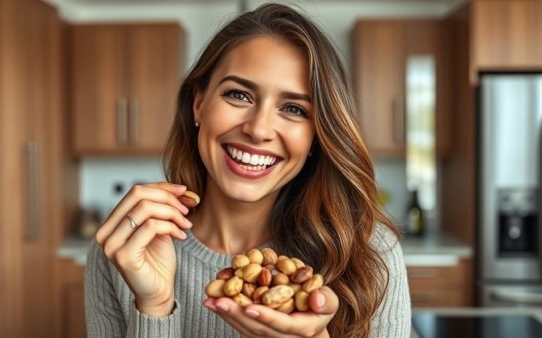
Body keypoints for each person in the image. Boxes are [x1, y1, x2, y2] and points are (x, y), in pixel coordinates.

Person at [85, 3, 411, 337]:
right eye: (239, 95)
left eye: (294, 109)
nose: (258, 129)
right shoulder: (126, 247)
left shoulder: (369, 254)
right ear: (199, 103)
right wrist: (154, 307)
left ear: (318, 133)